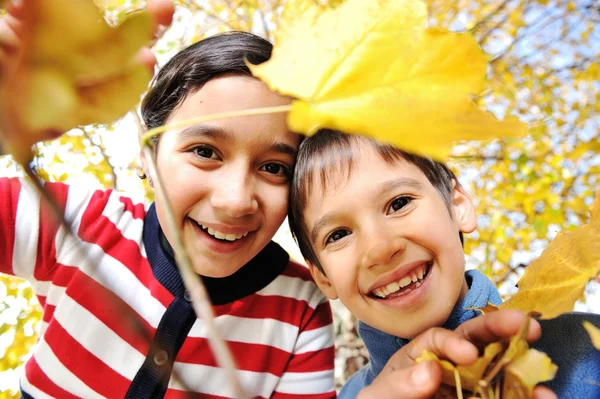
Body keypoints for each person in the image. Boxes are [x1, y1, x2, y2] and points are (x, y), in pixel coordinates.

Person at [0, 1, 560, 399]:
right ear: (145, 160)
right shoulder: (85, 222)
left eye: (273, 168)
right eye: (204, 152)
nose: (235, 197)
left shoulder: (298, 308)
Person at [288, 129, 598, 398]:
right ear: (322, 277)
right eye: (339, 234)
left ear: (458, 206)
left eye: (399, 203)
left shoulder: (590, 349)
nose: (380, 249)